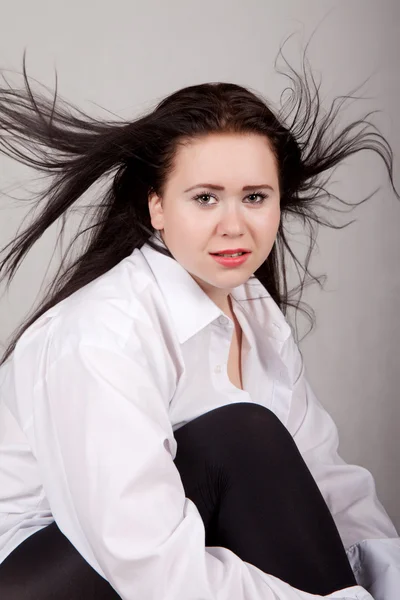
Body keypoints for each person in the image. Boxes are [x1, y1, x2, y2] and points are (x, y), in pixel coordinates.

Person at [0, 44, 399, 600]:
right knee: (240, 435)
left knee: (254, 439)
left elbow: (331, 489)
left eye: (255, 197)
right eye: (205, 198)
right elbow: (148, 562)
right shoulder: (102, 333)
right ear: (157, 206)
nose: (234, 225)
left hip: (138, 561)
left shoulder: (256, 317)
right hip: (38, 578)